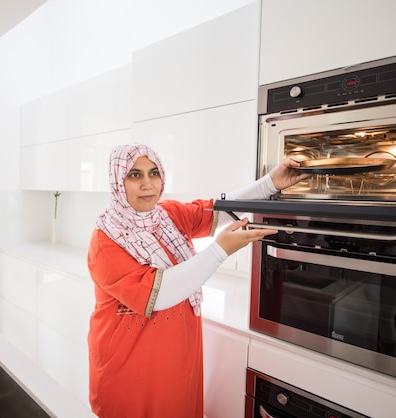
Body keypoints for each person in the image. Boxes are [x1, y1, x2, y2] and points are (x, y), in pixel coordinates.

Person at [86, 143, 309, 418]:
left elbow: (219, 211)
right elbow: (160, 293)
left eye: (153, 173)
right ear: (117, 181)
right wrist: (220, 250)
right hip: (131, 371)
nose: (147, 184)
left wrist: (269, 183)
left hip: (176, 364)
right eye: (135, 175)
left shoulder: (166, 215)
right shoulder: (105, 240)